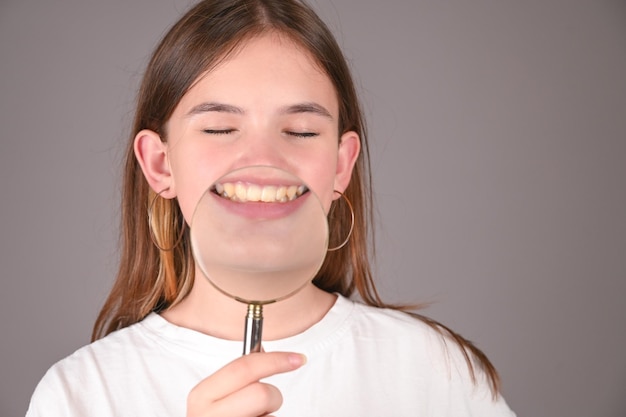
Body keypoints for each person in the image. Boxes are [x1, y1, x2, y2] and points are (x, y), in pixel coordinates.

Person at [26, 0, 516, 416]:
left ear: (341, 166)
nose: (263, 161)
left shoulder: (434, 372)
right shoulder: (81, 395)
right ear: (160, 164)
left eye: (301, 131)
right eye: (219, 128)